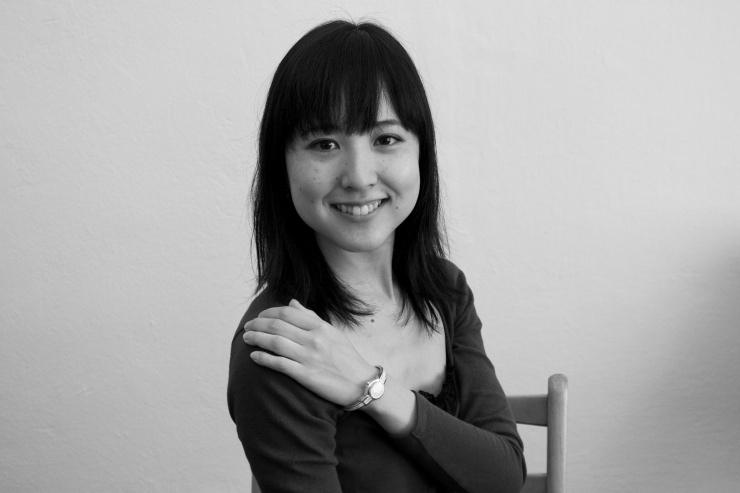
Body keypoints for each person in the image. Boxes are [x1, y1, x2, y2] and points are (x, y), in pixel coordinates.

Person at [228, 20, 525, 493]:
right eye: (324, 144)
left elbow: (503, 477)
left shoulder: (444, 289)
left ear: (422, 152)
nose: (359, 176)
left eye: (385, 139)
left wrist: (369, 387)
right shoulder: (280, 344)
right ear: (281, 164)